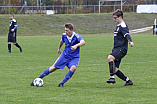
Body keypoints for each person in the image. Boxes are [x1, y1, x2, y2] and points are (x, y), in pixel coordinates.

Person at [30, 23, 85, 87]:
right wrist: (59, 48)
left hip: (74, 57)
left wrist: (76, 45)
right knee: (52, 68)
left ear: (71, 30)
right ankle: (37, 79)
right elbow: (61, 41)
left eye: (67, 30)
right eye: (65, 30)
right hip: (64, 56)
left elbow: (83, 42)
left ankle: (61, 83)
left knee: (73, 68)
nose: (66, 32)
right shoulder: (64, 35)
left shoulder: (76, 36)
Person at [106, 9, 134, 86]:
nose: (114, 20)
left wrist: (130, 41)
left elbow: (127, 35)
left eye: (115, 18)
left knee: (110, 58)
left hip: (121, 49)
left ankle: (112, 78)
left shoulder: (123, 26)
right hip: (116, 48)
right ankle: (128, 81)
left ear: (120, 17)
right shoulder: (118, 26)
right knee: (115, 69)